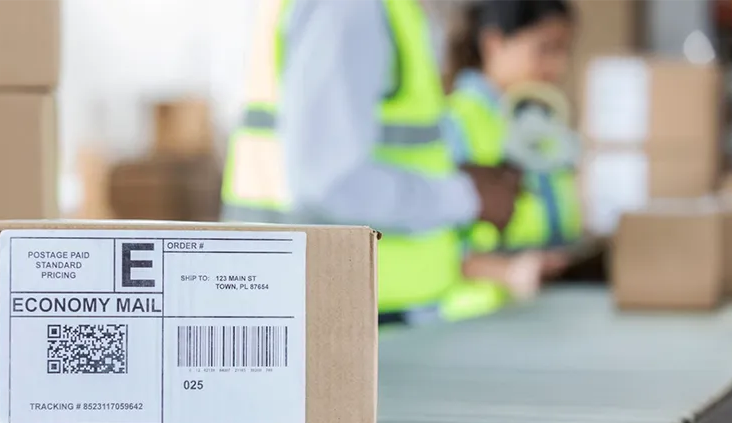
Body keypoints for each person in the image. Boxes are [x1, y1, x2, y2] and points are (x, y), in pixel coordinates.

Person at [222, 0, 522, 325]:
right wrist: (465, 196)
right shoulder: (349, 7)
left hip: (346, 315)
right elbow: (329, 182)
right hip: (341, 321)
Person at [444, 0, 580, 277]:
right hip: (478, 312)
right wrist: (506, 272)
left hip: (541, 303)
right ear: (494, 43)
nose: (558, 66)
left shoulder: (543, 122)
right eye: (545, 49)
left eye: (564, 51)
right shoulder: (454, 121)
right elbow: (434, 244)